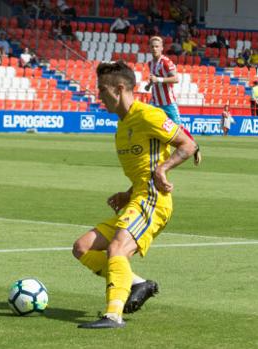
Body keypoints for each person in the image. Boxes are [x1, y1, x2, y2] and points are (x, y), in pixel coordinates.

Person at [73, 61, 198, 329]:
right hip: (138, 197)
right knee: (82, 247)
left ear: (119, 89)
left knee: (117, 247)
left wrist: (164, 169)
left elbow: (188, 144)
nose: (99, 96)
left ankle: (113, 314)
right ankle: (137, 283)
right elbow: (145, 167)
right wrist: (127, 192)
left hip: (154, 199)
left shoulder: (147, 115)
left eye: (102, 90)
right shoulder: (122, 126)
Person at [147, 36, 201, 165]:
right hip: (155, 102)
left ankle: (194, 147)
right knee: (149, 126)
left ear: (161, 48)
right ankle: (153, 156)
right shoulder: (150, 63)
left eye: (157, 46)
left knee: (178, 129)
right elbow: (155, 79)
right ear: (149, 48)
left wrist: (158, 80)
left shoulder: (166, 62)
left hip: (168, 103)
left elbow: (176, 79)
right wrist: (150, 84)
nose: (154, 49)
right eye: (152, 46)